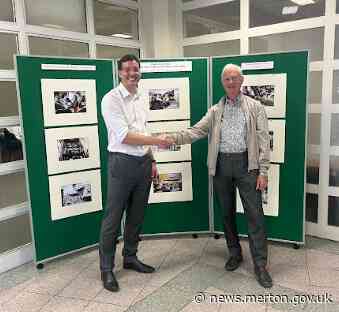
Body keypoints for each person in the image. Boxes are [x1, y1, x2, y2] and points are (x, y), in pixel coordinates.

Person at [166, 64, 272, 288]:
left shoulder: (255, 107)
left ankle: (260, 265)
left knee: (255, 215)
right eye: (226, 79)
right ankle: (235, 253)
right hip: (221, 166)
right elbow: (196, 131)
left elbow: (264, 139)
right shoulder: (216, 110)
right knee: (226, 213)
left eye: (234, 78)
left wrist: (263, 171)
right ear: (222, 83)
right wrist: (171, 138)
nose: (231, 82)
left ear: (241, 81)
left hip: (247, 165)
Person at [99, 54, 173, 292]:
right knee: (113, 218)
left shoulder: (141, 97)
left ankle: (130, 257)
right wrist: (158, 141)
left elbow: (143, 130)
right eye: (128, 70)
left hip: (143, 164)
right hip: (121, 163)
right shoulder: (111, 99)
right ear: (120, 73)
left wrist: (151, 158)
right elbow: (125, 136)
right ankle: (106, 269)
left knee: (137, 215)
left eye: (136, 69)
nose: (132, 73)